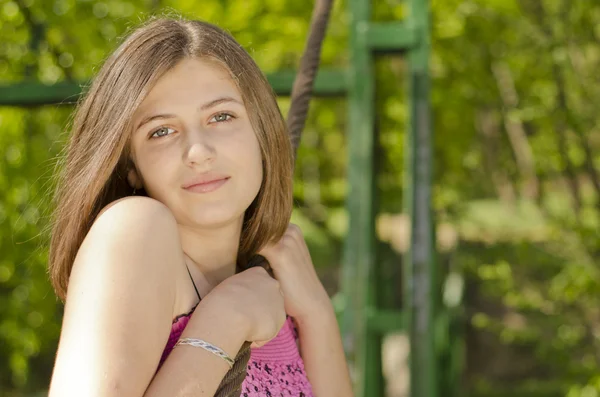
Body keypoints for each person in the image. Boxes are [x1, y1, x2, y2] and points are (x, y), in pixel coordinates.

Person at [46, 16, 353, 397]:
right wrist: (225, 320)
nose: (199, 152)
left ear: (262, 132)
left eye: (221, 116)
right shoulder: (135, 229)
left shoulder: (278, 292)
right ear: (130, 168)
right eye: (161, 131)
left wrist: (315, 315)